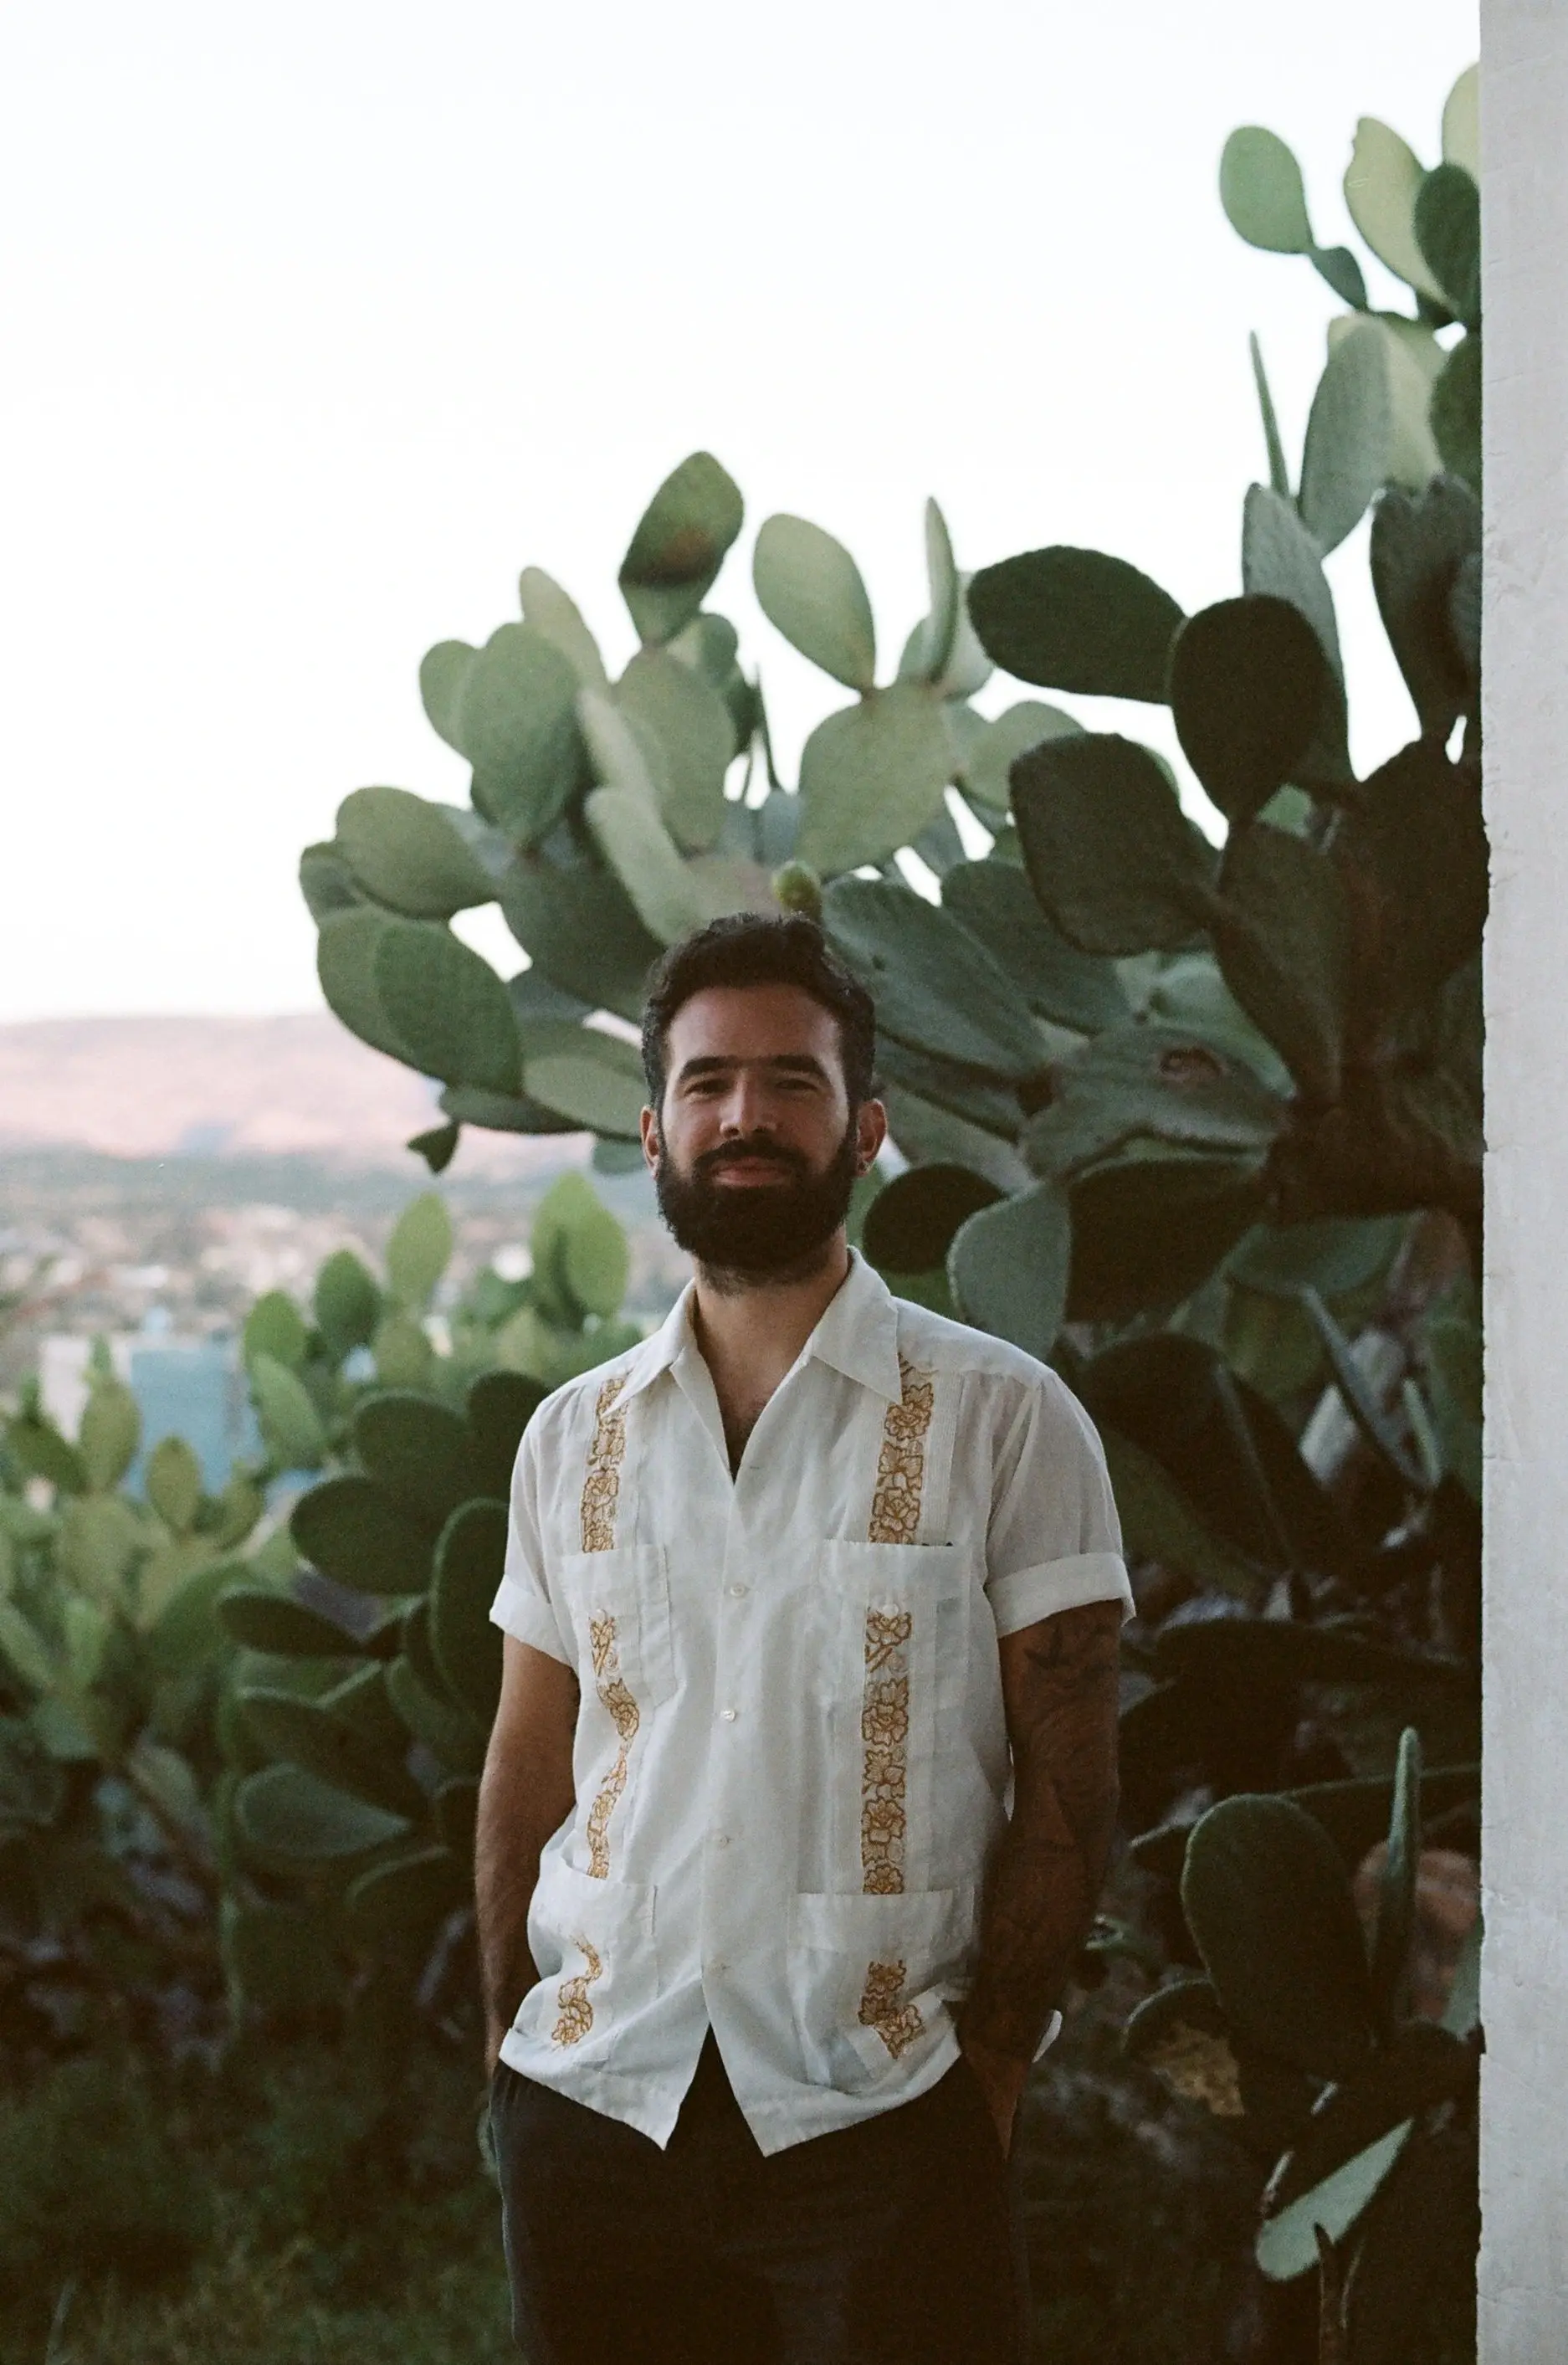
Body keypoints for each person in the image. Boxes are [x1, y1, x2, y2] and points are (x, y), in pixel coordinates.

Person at [476, 912, 1129, 2365]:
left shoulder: (1007, 1421)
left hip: (881, 2116)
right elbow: (526, 1772)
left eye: (791, 1081)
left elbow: (1069, 1783)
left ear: (867, 1127)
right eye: (707, 1084)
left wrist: (991, 2082)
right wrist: (508, 2064)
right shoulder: (565, 1439)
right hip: (594, 2108)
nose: (745, 1116)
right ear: (651, 1130)